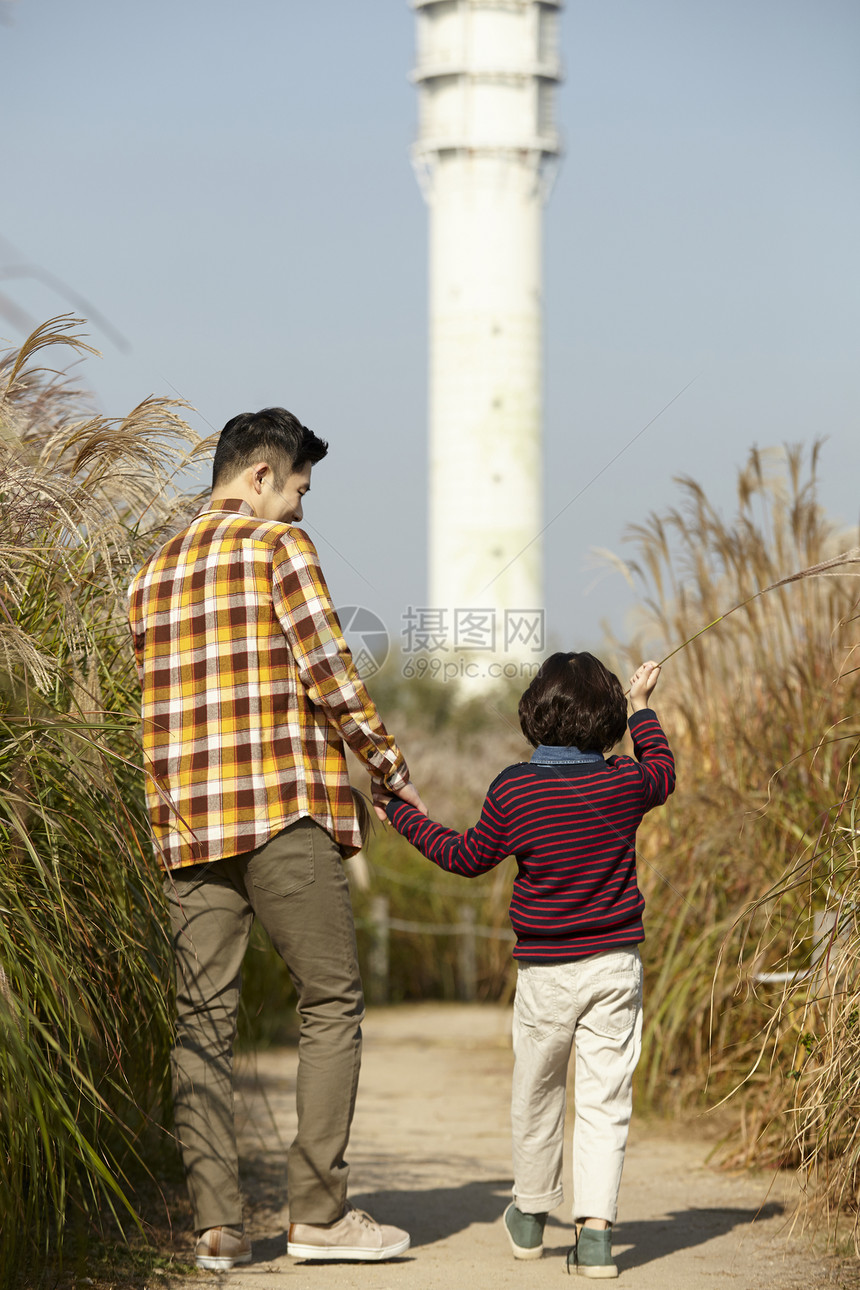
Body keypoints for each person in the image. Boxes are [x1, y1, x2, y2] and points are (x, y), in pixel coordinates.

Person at [128, 406, 425, 1271]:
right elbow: (330, 668)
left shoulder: (151, 575)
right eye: (297, 488)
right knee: (329, 1002)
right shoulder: (276, 551)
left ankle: (218, 1227)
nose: (299, 508)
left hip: (188, 827)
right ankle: (319, 1216)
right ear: (260, 475)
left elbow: (153, 710)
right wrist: (385, 763)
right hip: (281, 815)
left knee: (200, 1023)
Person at [374, 652, 674, 1278]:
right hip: (615, 966)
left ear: (533, 715)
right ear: (609, 719)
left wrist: (403, 816)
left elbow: (463, 856)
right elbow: (663, 772)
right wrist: (645, 707)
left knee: (537, 1093)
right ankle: (594, 1235)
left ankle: (532, 1215)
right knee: (604, 1099)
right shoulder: (625, 783)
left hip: (546, 974)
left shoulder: (515, 789)